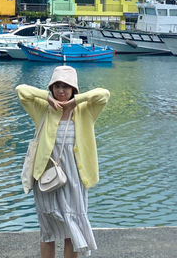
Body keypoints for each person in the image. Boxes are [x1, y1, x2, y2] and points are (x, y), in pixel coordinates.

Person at [16, 66, 110, 258]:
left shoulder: (85, 111)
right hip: (46, 176)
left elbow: (103, 94)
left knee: (71, 230)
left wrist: (76, 101)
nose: (61, 90)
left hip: (74, 177)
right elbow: (22, 91)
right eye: (57, 86)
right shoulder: (43, 109)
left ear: (74, 89)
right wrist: (46, 97)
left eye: (66, 86)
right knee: (48, 230)